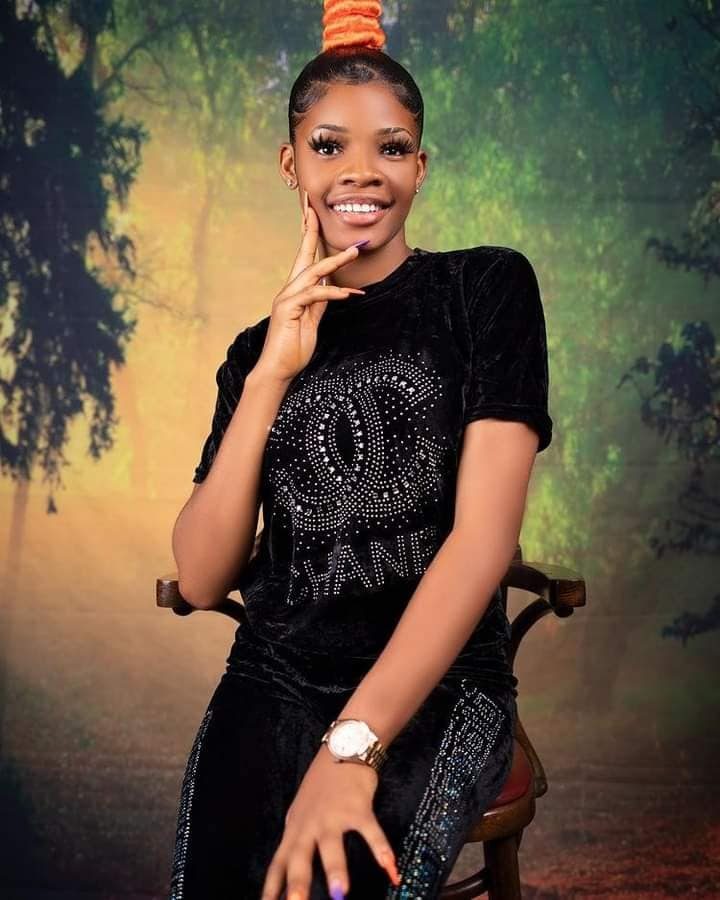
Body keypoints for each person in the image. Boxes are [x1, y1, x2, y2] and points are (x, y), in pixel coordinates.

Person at [168, 3, 553, 899]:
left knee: (338, 885)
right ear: (291, 164)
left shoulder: (485, 288)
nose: (361, 172)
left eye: (392, 147)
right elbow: (200, 576)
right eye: (329, 145)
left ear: (420, 166)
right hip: (274, 677)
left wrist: (354, 746)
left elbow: (483, 541)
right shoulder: (252, 354)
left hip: (441, 683)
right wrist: (274, 369)